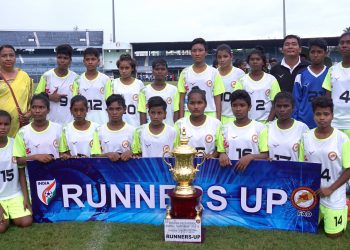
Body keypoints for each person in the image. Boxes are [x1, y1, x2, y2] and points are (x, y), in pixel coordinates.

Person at [299, 96, 350, 238]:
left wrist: (330, 189)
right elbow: (301, 166)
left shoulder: (342, 139)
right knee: (304, 228)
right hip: (312, 193)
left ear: (332, 115)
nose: (322, 118)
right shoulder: (306, 137)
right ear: (313, 115)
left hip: (333, 192)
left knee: (333, 235)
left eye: (326, 114)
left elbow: (349, 169)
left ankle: (344, 205)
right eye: (318, 114)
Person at [12, 93, 62, 221]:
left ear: (48, 110)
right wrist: (35, 157)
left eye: (41, 107)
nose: (37, 111)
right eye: (34, 107)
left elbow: (63, 154)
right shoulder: (23, 133)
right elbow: (19, 161)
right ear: (30, 110)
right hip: (33, 183)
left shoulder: (58, 129)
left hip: (56, 181)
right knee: (34, 216)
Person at [218, 90, 268, 169]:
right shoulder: (224, 129)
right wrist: (222, 155)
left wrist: (250, 157)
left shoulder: (260, 128)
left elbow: (265, 155)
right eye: (234, 105)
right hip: (231, 175)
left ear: (249, 107)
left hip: (254, 175)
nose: (238, 109)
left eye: (242, 105)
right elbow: (221, 152)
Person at [0, 110, 32, 233]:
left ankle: (12, 214)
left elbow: (21, 173)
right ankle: (6, 216)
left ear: (10, 125)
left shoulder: (15, 144)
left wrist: (26, 198)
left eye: (6, 124)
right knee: (1, 228)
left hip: (14, 194)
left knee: (26, 221)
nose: (2, 127)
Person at [178, 38, 224, 120]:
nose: (197, 53)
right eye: (194, 51)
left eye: (200, 50)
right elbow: (181, 98)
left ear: (206, 52)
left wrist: (218, 120)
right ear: (191, 53)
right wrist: (181, 119)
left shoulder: (214, 73)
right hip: (189, 114)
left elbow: (217, 98)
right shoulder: (185, 72)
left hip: (209, 114)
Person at [35, 44, 78, 125]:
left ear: (70, 60)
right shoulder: (46, 76)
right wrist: (49, 97)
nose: (62, 60)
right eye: (59, 57)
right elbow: (36, 98)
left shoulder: (76, 78)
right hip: (49, 123)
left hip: (69, 123)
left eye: (65, 58)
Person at [234, 49, 280, 123]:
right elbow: (237, 102)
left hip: (267, 121)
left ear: (263, 62)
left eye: (258, 59)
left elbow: (276, 103)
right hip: (248, 122)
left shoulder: (271, 79)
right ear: (248, 62)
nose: (255, 61)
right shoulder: (242, 80)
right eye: (252, 59)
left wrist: (268, 122)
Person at [175, 87, 221, 158]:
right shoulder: (179, 124)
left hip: (208, 166)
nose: (196, 106)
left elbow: (220, 148)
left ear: (205, 104)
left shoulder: (216, 124)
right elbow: (175, 149)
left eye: (199, 103)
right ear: (187, 105)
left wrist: (212, 156)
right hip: (186, 166)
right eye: (192, 103)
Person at [293, 38, 328, 129]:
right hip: (304, 123)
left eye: (319, 52)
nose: (315, 55)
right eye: (312, 52)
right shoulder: (301, 74)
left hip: (325, 122)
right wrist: (295, 121)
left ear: (325, 53)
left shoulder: (331, 73)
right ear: (309, 54)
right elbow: (296, 100)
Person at [0, 45, 33, 137]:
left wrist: (28, 115)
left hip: (20, 128)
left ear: (15, 57)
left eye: (11, 55)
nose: (8, 58)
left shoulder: (24, 76)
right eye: (4, 56)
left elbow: (31, 102)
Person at [72, 47, 111, 125]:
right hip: (84, 122)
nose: (90, 62)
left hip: (102, 121)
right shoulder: (77, 80)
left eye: (93, 59)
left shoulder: (106, 79)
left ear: (98, 61)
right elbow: (75, 102)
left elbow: (110, 103)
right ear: (84, 61)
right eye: (87, 59)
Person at [265, 92, 308, 161]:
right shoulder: (267, 128)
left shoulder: (302, 128)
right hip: (272, 171)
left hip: (294, 171)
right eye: (279, 106)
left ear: (293, 108)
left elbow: (306, 156)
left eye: (286, 106)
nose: (282, 109)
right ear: (274, 108)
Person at [323, 32, 350, 138]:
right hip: (335, 123)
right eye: (342, 43)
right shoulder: (332, 69)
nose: (344, 45)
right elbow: (327, 96)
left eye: (348, 43)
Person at [93, 94, 134, 161]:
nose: (114, 112)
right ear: (107, 110)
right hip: (105, 170)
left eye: (118, 109)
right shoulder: (99, 130)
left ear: (124, 109)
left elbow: (139, 153)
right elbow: (94, 156)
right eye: (111, 109)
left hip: (128, 170)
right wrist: (107, 155)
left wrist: (131, 153)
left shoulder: (133, 131)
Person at [138, 58, 179, 125]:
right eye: (157, 69)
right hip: (150, 131)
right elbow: (143, 112)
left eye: (163, 69)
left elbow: (176, 112)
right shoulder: (144, 91)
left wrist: (175, 129)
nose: (159, 71)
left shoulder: (174, 90)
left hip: (169, 130)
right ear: (152, 71)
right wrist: (143, 129)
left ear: (166, 72)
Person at [110, 54, 144, 127]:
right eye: (121, 68)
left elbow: (142, 108)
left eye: (127, 68)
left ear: (132, 68)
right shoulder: (113, 83)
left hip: (134, 124)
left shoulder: (139, 84)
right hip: (117, 125)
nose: (124, 71)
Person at [216, 44, 245, 124]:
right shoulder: (213, 74)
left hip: (234, 117)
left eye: (225, 56)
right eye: (219, 57)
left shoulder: (240, 74)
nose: (222, 59)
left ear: (231, 57)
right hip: (216, 117)